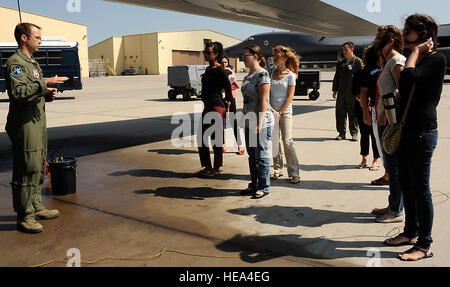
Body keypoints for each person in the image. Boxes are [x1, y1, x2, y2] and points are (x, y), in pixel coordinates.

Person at [384, 14, 446, 261]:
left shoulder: (435, 60)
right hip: (407, 129)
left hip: (423, 132)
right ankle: (410, 233)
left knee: (421, 189)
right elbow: (406, 84)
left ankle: (424, 244)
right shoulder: (418, 59)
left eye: (409, 29)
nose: (404, 32)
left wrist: (417, 52)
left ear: (424, 33)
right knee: (408, 185)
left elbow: (408, 79)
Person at [5, 23, 68, 233]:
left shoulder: (33, 63)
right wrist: (44, 82)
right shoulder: (16, 62)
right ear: (24, 38)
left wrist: (46, 93)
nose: (41, 41)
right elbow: (18, 93)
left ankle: (36, 205)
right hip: (24, 123)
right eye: (38, 37)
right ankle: (25, 216)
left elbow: (32, 91)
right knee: (26, 168)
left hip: (37, 121)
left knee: (39, 164)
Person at [371, 25, 406, 223]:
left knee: (394, 169)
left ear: (390, 41)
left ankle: (396, 211)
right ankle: (392, 205)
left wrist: (387, 112)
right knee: (391, 167)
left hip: (391, 122)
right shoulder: (389, 61)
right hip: (385, 120)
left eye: (379, 38)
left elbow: (403, 91)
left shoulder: (396, 61)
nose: (376, 42)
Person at [239, 45, 273, 199]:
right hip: (248, 119)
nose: (243, 58)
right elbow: (246, 100)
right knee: (252, 155)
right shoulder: (248, 76)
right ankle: (254, 183)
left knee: (261, 154)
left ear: (255, 56)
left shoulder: (262, 75)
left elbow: (264, 100)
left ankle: (263, 186)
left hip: (261, 121)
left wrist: (259, 123)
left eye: (246, 55)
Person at [196, 42, 233, 177]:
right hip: (207, 105)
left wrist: (228, 104)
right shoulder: (208, 69)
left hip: (217, 106)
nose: (205, 54)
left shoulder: (220, 70)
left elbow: (228, 87)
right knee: (201, 138)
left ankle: (216, 168)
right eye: (204, 52)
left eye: (208, 52)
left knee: (216, 138)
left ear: (216, 54)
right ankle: (207, 166)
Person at [269, 45, 301, 184]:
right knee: (274, 141)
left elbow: (290, 97)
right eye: (274, 56)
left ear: (285, 58)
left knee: (287, 141)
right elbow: (267, 93)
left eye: (277, 56)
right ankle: (277, 169)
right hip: (272, 112)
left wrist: (280, 112)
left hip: (285, 113)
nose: (275, 59)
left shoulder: (290, 76)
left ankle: (294, 172)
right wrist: (271, 110)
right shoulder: (271, 73)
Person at [353, 45, 381, 171]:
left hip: (376, 108)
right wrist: (362, 101)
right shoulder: (359, 73)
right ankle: (364, 158)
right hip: (361, 108)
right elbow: (354, 92)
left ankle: (376, 159)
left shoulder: (380, 72)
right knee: (364, 134)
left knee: (375, 135)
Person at [332, 42, 363, 141]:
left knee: (353, 113)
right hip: (342, 93)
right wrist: (335, 90)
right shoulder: (341, 63)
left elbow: (362, 78)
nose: (344, 52)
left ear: (352, 49)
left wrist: (361, 92)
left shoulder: (358, 62)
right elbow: (337, 77)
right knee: (340, 113)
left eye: (346, 49)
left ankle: (354, 133)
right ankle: (341, 133)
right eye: (343, 50)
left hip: (353, 93)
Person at [220, 56, 244, 155]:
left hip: (230, 98)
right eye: (222, 62)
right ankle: (222, 144)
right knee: (220, 122)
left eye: (225, 62)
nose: (223, 64)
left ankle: (239, 145)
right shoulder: (218, 72)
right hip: (221, 98)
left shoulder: (230, 71)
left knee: (233, 122)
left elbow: (233, 81)